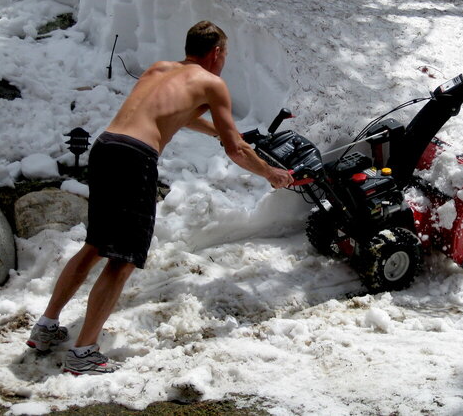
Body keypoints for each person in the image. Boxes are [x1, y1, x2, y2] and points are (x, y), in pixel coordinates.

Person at [26, 21, 293, 375]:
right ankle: (83, 353)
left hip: (106, 147)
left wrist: (221, 132)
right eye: (224, 56)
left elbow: (173, 115)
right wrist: (270, 173)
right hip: (135, 158)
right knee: (121, 259)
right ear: (216, 53)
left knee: (95, 245)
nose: (224, 62)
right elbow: (236, 150)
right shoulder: (213, 83)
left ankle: (45, 327)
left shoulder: (160, 69)